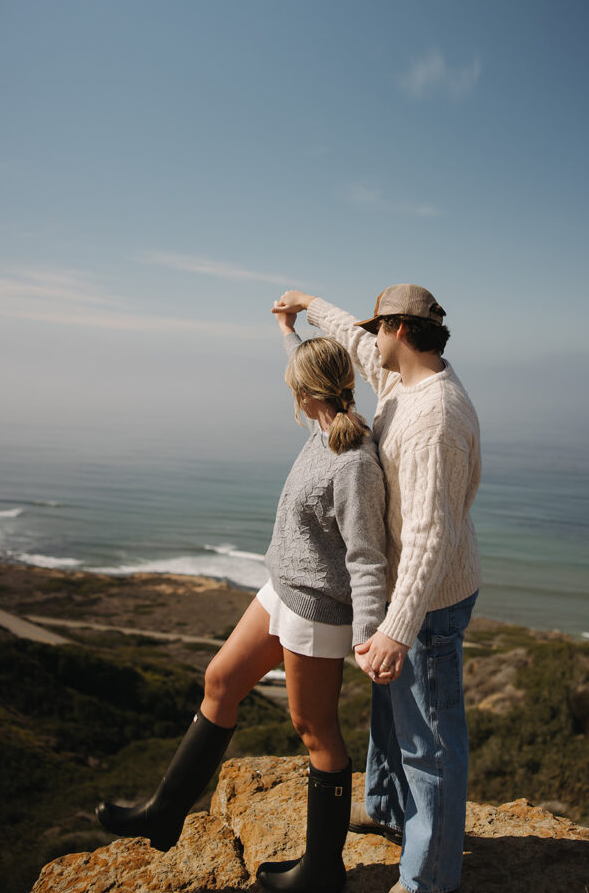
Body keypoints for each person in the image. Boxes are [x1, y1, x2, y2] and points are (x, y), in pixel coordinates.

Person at [96, 304, 387, 893]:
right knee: (221, 680)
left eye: (294, 385)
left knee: (315, 730)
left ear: (306, 393)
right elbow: (304, 366)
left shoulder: (353, 461)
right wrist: (288, 331)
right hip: (280, 589)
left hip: (316, 610)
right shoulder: (325, 426)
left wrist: (368, 635)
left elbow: (366, 555)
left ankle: (322, 871)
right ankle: (164, 814)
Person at [272, 284, 482, 893]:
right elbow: (355, 342)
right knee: (392, 717)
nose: (369, 341)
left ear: (401, 330)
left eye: (378, 328)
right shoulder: (403, 380)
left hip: (431, 599)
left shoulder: (435, 419)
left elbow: (430, 537)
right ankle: (389, 809)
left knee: (429, 744)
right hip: (408, 590)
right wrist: (308, 305)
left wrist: (397, 627)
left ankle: (428, 879)